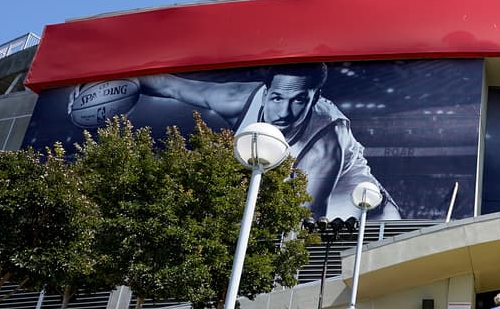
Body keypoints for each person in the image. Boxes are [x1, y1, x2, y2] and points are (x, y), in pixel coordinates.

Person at [137, 65, 397, 220]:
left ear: (315, 97)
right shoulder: (237, 98)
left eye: (298, 100)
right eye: (276, 98)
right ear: (264, 94)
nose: (283, 112)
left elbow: (305, 221)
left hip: (367, 214)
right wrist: (119, 81)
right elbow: (168, 85)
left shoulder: (326, 140)